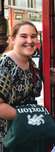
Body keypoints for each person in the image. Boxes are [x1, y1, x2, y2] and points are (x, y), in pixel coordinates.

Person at [0, 20, 42, 151]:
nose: (30, 40)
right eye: (24, 36)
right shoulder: (5, 64)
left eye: (33, 36)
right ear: (12, 39)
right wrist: (26, 117)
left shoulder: (31, 63)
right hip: (9, 137)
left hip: (27, 133)